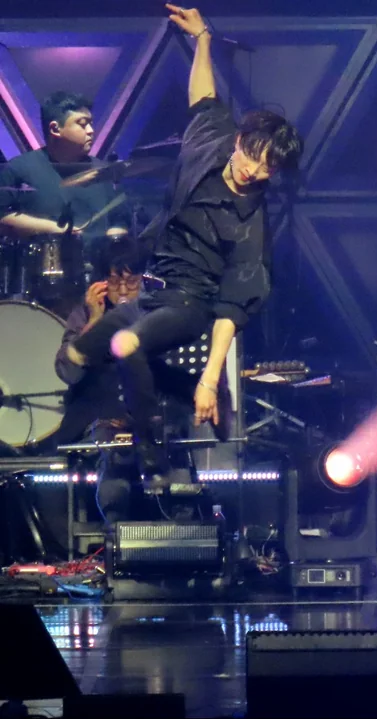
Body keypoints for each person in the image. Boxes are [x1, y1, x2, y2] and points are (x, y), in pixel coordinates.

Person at [65, 4, 303, 490]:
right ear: (239, 141)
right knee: (78, 356)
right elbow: (204, 98)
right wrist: (203, 39)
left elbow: (231, 310)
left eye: (267, 169)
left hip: (192, 305)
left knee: (126, 344)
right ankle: (173, 385)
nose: (254, 172)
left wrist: (211, 380)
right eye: (252, 157)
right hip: (154, 293)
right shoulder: (211, 143)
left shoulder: (250, 223)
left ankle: (152, 455)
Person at [0, 91, 132, 314]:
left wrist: (112, 244)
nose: (91, 130)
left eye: (91, 123)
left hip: (99, 282)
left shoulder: (103, 173)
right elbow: (2, 215)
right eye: (82, 124)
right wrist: (53, 229)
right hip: (40, 281)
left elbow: (120, 221)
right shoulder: (20, 169)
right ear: (55, 129)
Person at [52, 239, 147, 525]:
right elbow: (68, 372)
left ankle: (183, 529)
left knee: (175, 446)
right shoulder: (84, 315)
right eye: (115, 281)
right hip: (97, 420)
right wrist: (94, 321)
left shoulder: (155, 312)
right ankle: (115, 531)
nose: (122, 290)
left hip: (148, 415)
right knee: (114, 451)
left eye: (131, 282)